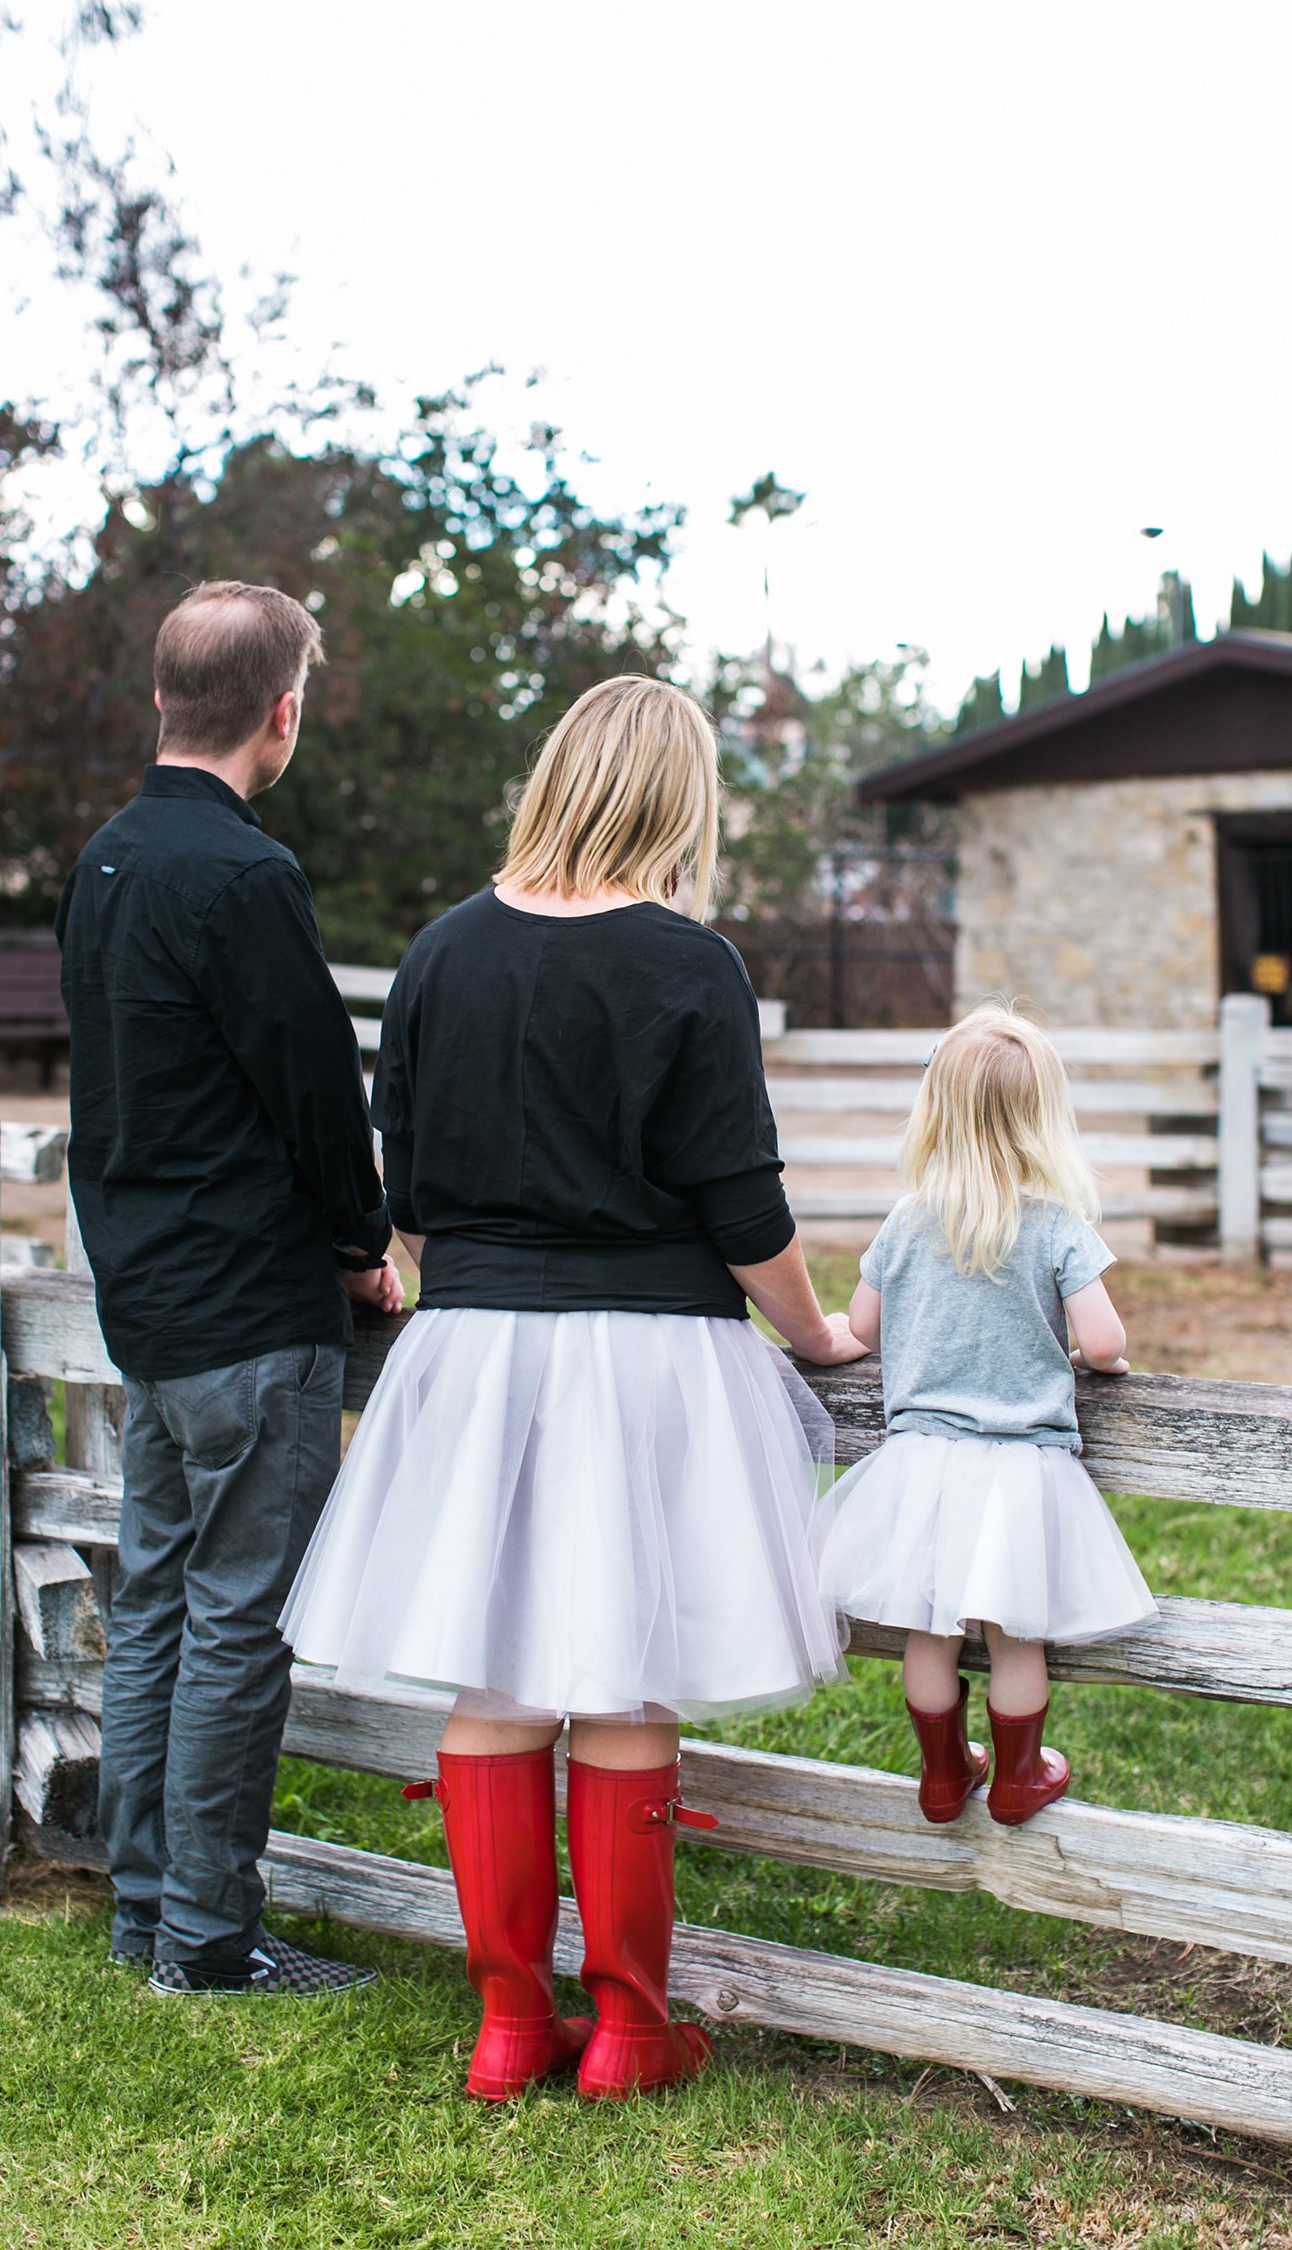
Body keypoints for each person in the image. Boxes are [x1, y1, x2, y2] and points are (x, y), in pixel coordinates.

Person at [280, 674, 863, 2100]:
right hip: (654, 1352)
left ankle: (504, 2022)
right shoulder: (688, 963)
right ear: (675, 800)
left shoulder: (440, 951)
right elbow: (743, 1202)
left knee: (497, 1678)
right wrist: (820, 1337)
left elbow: (401, 1179)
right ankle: (626, 2026)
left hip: (475, 1346)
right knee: (623, 1679)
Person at [56, 580, 403, 1997]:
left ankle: (146, 1906)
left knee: (157, 1602)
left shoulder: (109, 859)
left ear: (161, 703)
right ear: (284, 712)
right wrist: (364, 1237)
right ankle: (205, 1936)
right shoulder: (246, 876)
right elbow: (316, 1088)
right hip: (251, 1310)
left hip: (147, 1298)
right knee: (240, 1617)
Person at [818, 1002, 1156, 1827]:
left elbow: (861, 1328)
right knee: (1015, 1638)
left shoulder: (908, 1219)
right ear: (1042, 1118)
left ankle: (940, 1776)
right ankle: (1017, 1779)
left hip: (922, 1463)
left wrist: (829, 1333)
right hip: (1020, 1466)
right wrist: (1096, 1363)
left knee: (927, 1637)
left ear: (936, 1109)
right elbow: (1105, 1338)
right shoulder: (1053, 1226)